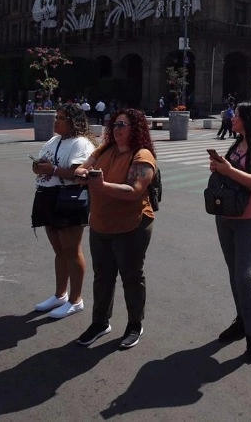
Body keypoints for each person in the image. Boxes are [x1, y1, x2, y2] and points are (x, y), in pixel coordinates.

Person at [72, 109, 157, 349]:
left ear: (136, 128)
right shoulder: (104, 149)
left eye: (123, 125)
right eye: (114, 124)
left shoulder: (142, 156)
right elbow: (82, 167)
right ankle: (100, 323)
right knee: (103, 277)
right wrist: (82, 172)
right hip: (100, 223)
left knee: (131, 277)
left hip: (132, 225)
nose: (117, 129)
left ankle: (134, 325)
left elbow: (134, 191)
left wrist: (100, 184)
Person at [208, 101, 251, 368]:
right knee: (234, 274)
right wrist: (219, 169)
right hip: (226, 217)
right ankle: (241, 321)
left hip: (250, 220)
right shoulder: (237, 144)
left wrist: (229, 171)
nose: (231, 119)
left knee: (245, 277)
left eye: (236, 115)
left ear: (248, 119)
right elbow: (231, 176)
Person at [30, 103, 97, 320]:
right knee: (59, 250)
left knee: (71, 250)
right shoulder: (54, 140)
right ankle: (60, 295)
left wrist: (54, 170)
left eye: (61, 118)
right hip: (47, 197)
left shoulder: (81, 144)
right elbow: (42, 164)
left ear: (73, 121)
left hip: (69, 199)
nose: (55, 121)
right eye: (56, 117)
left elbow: (80, 174)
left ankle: (75, 300)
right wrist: (37, 167)